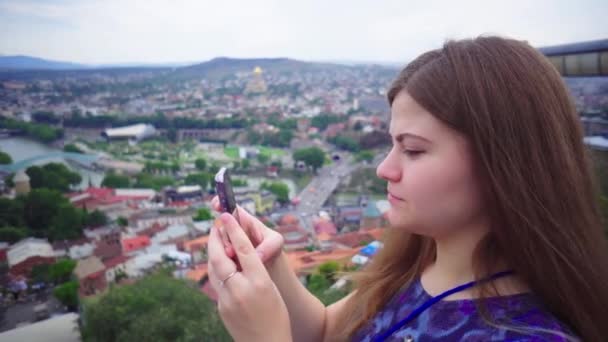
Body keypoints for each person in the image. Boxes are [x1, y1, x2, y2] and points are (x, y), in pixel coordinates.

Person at [207, 36, 608, 341]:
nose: (385, 168)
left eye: (413, 150)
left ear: (502, 165)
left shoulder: (528, 334)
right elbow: (327, 331)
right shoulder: (417, 267)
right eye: (392, 144)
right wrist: (274, 267)